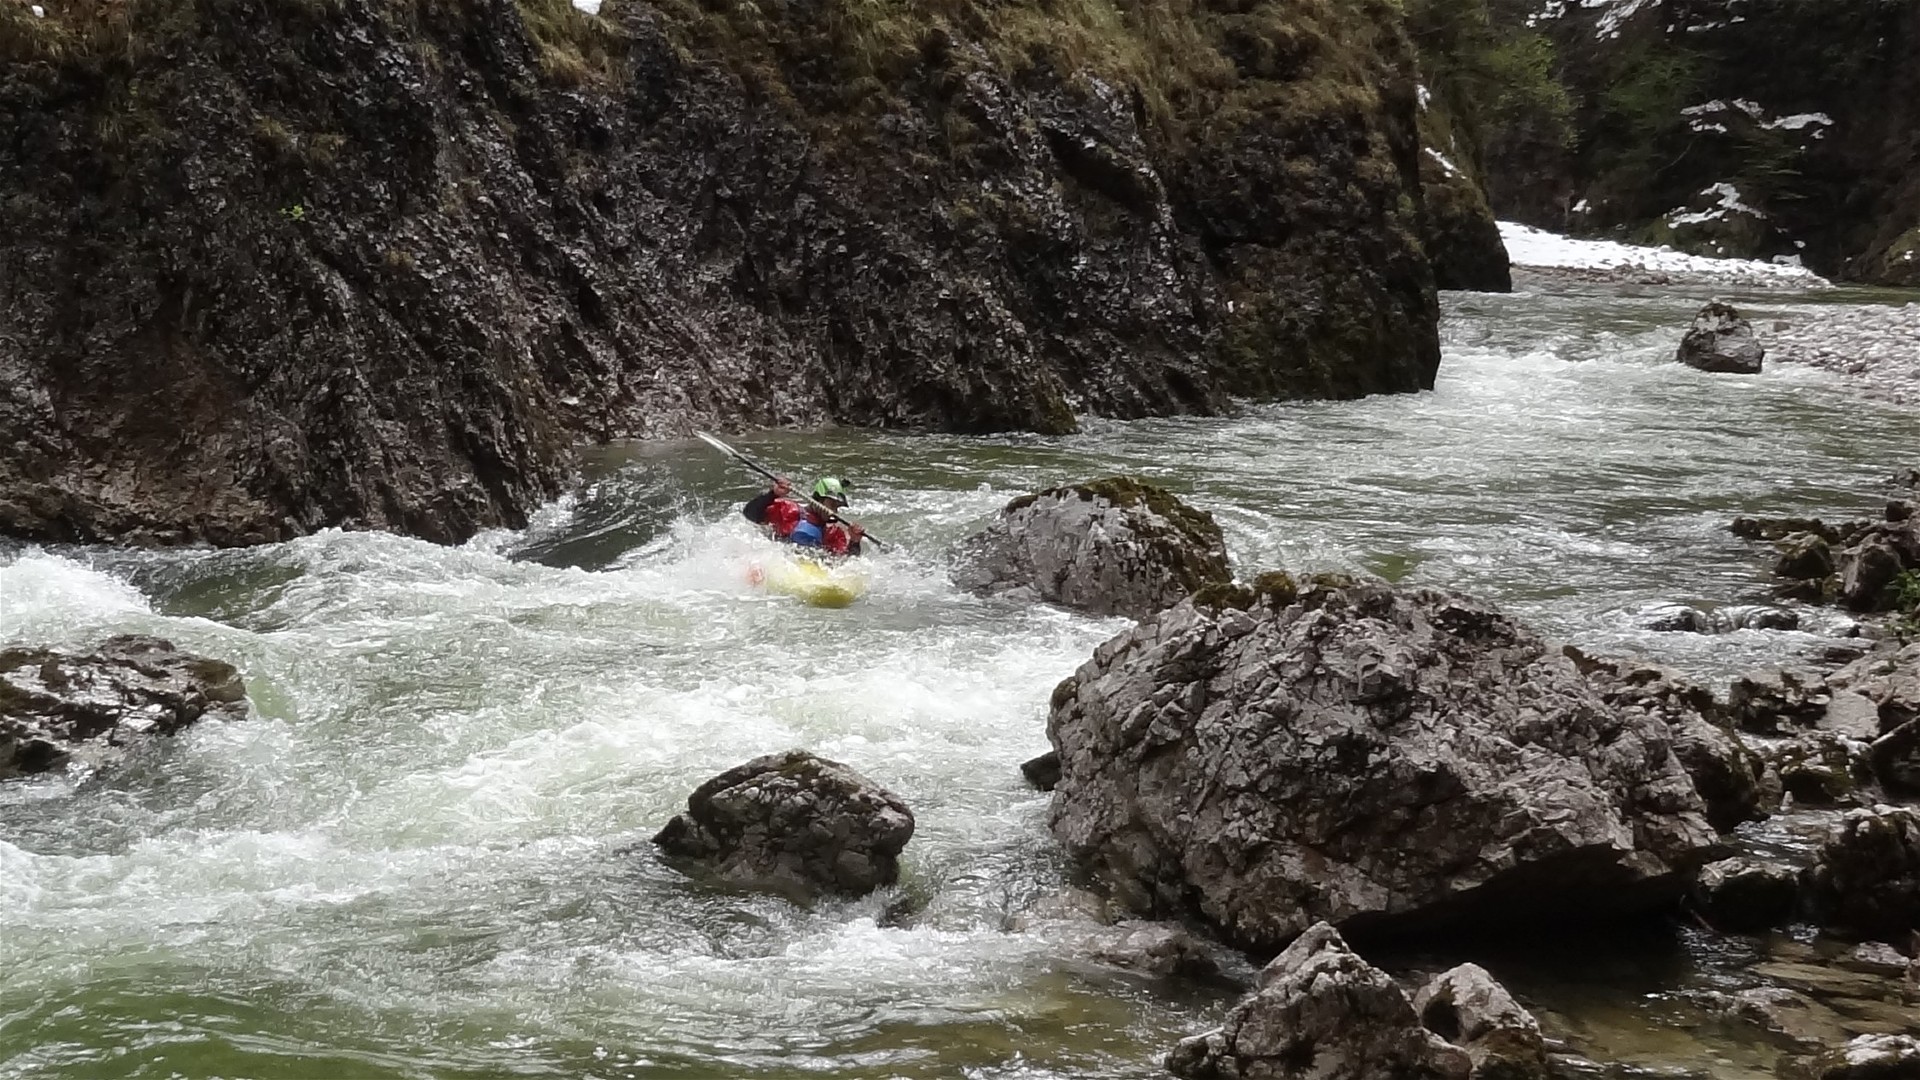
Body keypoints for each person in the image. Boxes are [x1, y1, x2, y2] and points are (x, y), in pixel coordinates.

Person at [743, 476, 864, 556]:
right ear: (818, 499)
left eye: (837, 506)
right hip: (780, 559)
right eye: (831, 504)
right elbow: (750, 514)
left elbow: (846, 564)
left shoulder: (834, 533)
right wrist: (773, 494)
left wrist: (855, 542)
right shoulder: (787, 510)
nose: (833, 510)